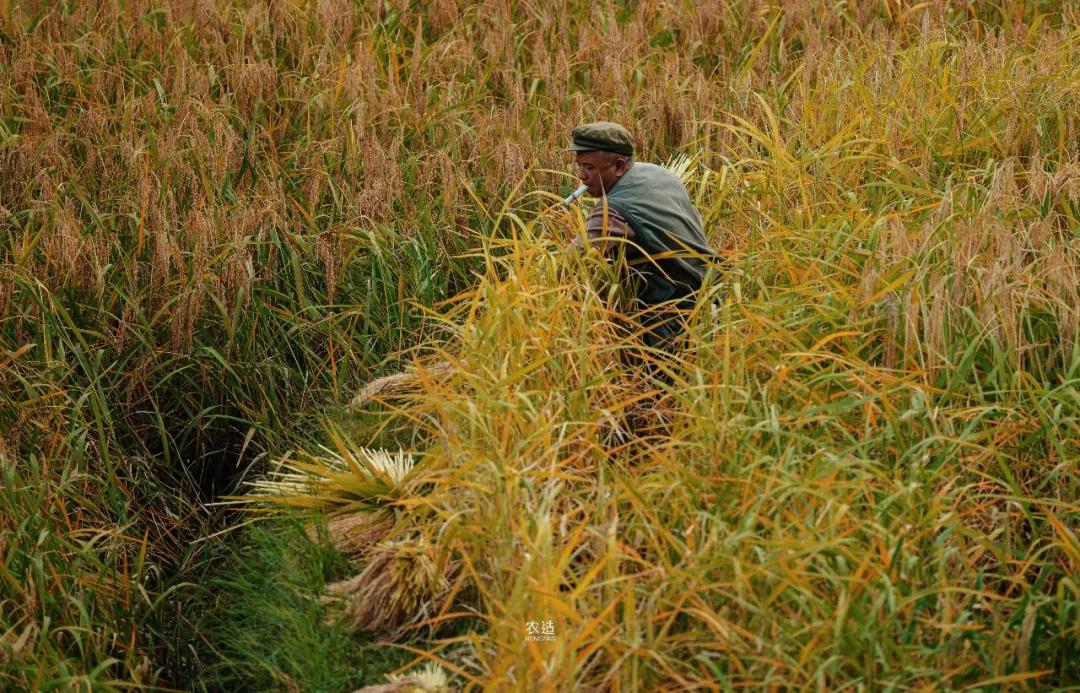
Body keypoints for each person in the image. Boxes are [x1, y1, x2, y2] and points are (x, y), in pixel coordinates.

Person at [566, 121, 717, 353]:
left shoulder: (613, 210)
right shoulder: (659, 174)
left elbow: (571, 263)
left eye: (589, 168)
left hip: (671, 320)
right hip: (714, 297)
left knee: (657, 386)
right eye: (579, 166)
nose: (581, 176)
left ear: (617, 166)